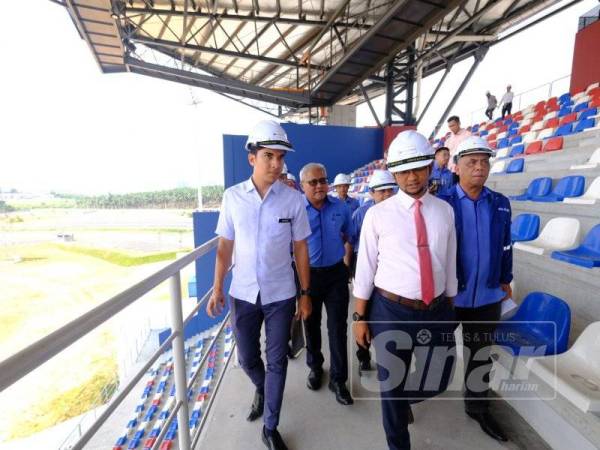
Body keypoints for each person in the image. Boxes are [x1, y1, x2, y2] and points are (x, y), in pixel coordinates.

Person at [207, 120, 313, 450]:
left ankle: (270, 426)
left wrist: (305, 294)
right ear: (252, 158)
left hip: (282, 295)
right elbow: (225, 246)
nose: (276, 164)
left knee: (278, 360)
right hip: (242, 293)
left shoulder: (292, 200)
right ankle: (262, 387)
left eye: (281, 157)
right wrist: (217, 286)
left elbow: (300, 248)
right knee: (248, 357)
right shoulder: (233, 198)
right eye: (269, 156)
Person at [354, 130, 458, 450]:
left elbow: (449, 260)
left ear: (429, 167)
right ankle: (399, 442)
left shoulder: (444, 211)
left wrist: (451, 304)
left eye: (418, 168)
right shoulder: (377, 215)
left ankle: (401, 400)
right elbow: (365, 268)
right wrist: (359, 317)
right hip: (390, 311)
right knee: (391, 385)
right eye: (403, 170)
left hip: (437, 308)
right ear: (394, 173)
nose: (411, 177)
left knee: (439, 378)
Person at [438, 135, 513, 443]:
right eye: (471, 162)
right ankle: (409, 396)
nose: (479, 168)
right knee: (434, 350)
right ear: (457, 167)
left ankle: (478, 407)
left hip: (487, 294)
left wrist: (505, 277)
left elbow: (507, 245)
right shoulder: (442, 203)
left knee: (480, 354)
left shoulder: (500, 204)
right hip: (449, 295)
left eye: (484, 162)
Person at [301, 163, 355, 406]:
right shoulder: (296, 211)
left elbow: (349, 236)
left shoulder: (341, 208)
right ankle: (315, 368)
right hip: (308, 277)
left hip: (335, 275)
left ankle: (339, 379)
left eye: (323, 180)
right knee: (310, 324)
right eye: (313, 182)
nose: (319, 186)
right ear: (303, 186)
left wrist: (346, 264)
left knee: (337, 328)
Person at [350, 169, 396, 374]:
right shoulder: (362, 214)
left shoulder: (400, 213)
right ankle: (363, 356)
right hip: (367, 267)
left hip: (389, 276)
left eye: (389, 190)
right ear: (371, 193)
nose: (386, 195)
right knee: (363, 316)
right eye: (381, 191)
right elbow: (352, 239)